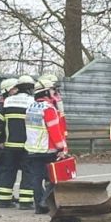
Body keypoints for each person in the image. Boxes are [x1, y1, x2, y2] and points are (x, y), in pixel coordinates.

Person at [25, 79, 68, 214]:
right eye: (52, 90)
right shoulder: (49, 109)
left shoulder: (30, 107)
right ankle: (45, 201)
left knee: (36, 179)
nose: (54, 92)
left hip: (33, 149)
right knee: (53, 178)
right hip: (48, 149)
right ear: (46, 92)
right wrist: (61, 148)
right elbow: (54, 130)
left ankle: (39, 207)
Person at [0, 75, 36, 209]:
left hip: (9, 145)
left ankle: (4, 200)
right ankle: (25, 202)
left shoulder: (8, 102)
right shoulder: (33, 102)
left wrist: (0, 140)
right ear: (30, 88)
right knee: (28, 172)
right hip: (27, 145)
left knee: (8, 171)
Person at [0, 78, 18, 204]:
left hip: (0, 144)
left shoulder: (2, 106)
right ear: (9, 91)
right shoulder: (3, 107)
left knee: (2, 170)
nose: (17, 91)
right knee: (4, 170)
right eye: (15, 89)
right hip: (2, 145)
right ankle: (2, 196)